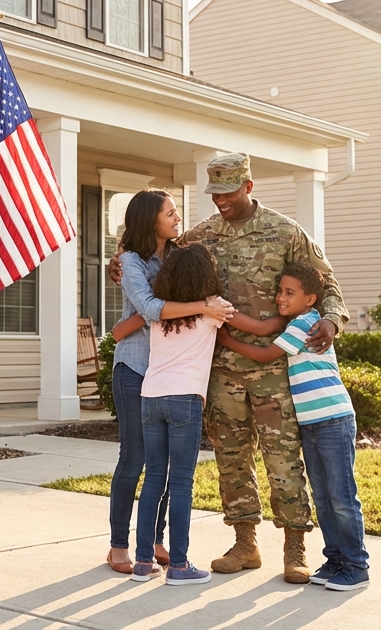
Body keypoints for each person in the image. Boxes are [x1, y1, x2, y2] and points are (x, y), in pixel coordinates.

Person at [109, 153, 348, 583]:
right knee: (232, 459)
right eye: (214, 193)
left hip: (274, 366)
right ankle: (245, 542)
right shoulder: (200, 236)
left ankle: (295, 547)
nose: (220, 200)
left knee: (282, 459)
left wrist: (331, 319)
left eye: (228, 192)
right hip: (219, 369)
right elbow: (152, 256)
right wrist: (118, 262)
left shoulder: (285, 231)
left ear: (249, 187)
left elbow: (325, 282)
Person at [215, 262, 369, 591]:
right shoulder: (296, 322)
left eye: (289, 293)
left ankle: (356, 566)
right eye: (279, 291)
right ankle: (335, 560)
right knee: (324, 498)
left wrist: (225, 340)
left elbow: (264, 353)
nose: (280, 297)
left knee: (341, 497)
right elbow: (260, 327)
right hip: (311, 425)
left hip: (333, 420)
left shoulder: (307, 324)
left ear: (311, 299)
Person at [105, 189, 234, 575]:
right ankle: (118, 545)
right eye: (170, 213)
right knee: (135, 459)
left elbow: (155, 308)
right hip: (135, 368)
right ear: (150, 220)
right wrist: (200, 306)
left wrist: (126, 325)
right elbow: (148, 309)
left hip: (170, 373)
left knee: (162, 468)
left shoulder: (178, 255)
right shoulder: (129, 261)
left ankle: (155, 541)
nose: (177, 218)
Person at [130, 242, 224, 585]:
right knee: (181, 483)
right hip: (184, 399)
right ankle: (180, 566)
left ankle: (142, 563)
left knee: (154, 479)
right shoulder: (213, 310)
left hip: (150, 397)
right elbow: (231, 315)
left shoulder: (160, 318)